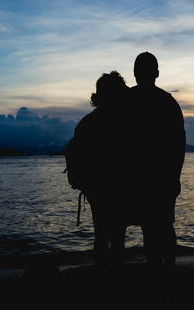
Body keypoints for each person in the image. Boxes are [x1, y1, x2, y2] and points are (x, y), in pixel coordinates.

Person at [128, 52, 186, 270]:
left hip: (141, 177)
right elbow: (179, 145)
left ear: (135, 73)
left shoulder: (127, 101)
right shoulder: (168, 103)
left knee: (149, 226)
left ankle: (156, 267)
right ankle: (166, 268)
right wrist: (175, 176)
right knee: (162, 225)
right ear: (157, 73)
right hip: (161, 176)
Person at [72, 71, 129, 270]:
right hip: (119, 187)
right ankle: (113, 273)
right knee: (117, 235)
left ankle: (102, 275)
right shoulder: (126, 123)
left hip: (95, 189)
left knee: (101, 234)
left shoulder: (87, 123)